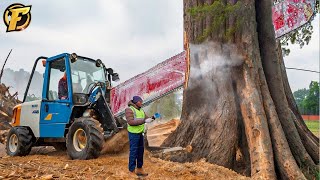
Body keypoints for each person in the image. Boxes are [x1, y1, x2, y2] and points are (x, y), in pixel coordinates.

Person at [125, 96, 155, 177]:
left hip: (140, 133)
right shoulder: (129, 109)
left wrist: (152, 118)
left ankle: (139, 168)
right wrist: (144, 121)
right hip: (133, 134)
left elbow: (146, 118)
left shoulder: (141, 110)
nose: (141, 103)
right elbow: (130, 122)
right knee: (133, 152)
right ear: (135, 102)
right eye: (140, 101)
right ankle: (131, 171)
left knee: (140, 152)